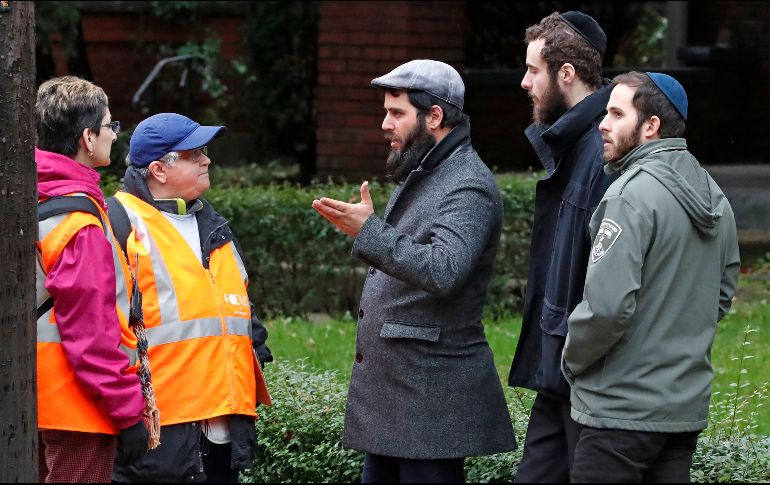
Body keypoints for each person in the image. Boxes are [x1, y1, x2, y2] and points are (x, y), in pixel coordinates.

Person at [311, 59, 516, 483]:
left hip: (429, 404)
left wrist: (369, 232)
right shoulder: (425, 168)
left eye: (397, 113)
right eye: (386, 112)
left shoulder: (467, 183)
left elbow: (444, 270)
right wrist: (373, 231)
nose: (385, 123)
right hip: (397, 401)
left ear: (435, 116)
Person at [562, 72, 740, 482]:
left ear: (650, 127)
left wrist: (571, 360)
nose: (602, 124)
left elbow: (606, 309)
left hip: (620, 414)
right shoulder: (714, 195)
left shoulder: (629, 196)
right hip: (681, 412)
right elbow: (722, 294)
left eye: (615, 113)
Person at [109, 113, 273, 483]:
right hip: (157, 435)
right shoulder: (119, 224)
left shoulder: (215, 226)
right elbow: (102, 332)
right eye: (193, 153)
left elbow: (242, 311)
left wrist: (256, 352)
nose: (207, 160)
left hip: (222, 432)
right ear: (158, 169)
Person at [506, 11, 617, 482]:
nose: (525, 82)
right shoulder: (575, 144)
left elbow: (605, 279)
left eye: (533, 70)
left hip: (582, 375)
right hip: (562, 373)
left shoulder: (599, 151)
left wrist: (573, 355)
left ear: (565, 74)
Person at [35, 76, 150, 482]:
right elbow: (91, 331)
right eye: (110, 126)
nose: (115, 137)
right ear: (87, 137)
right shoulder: (80, 223)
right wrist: (128, 410)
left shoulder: (30, 196)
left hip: (30, 398)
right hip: (77, 406)